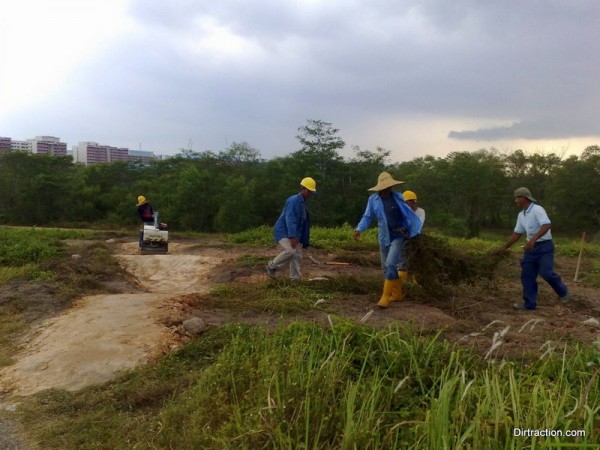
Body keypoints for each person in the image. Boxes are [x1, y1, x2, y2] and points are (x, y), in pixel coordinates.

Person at [353, 172, 422, 308]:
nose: (386, 189)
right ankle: (397, 294)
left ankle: (385, 297)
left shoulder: (398, 197)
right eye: (384, 187)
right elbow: (367, 217)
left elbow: (407, 214)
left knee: (391, 264)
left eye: (389, 187)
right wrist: (359, 229)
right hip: (384, 237)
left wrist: (411, 230)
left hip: (398, 236)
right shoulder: (373, 200)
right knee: (386, 267)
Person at [497, 187, 569, 310]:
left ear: (524, 198)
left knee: (546, 273)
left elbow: (546, 225)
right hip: (530, 249)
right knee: (527, 275)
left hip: (544, 246)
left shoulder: (537, 209)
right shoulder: (521, 215)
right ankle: (529, 304)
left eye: (517, 198)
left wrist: (533, 240)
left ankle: (563, 292)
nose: (516, 201)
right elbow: (517, 233)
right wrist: (504, 247)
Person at [266, 177, 317, 281]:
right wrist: (293, 236)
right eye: (309, 191)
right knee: (291, 250)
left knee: (297, 255)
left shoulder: (303, 202)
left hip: (293, 233)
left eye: (311, 192)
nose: (310, 194)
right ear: (302, 189)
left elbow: (302, 223)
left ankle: (295, 279)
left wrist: (302, 239)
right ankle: (272, 266)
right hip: (284, 231)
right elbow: (290, 219)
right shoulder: (293, 200)